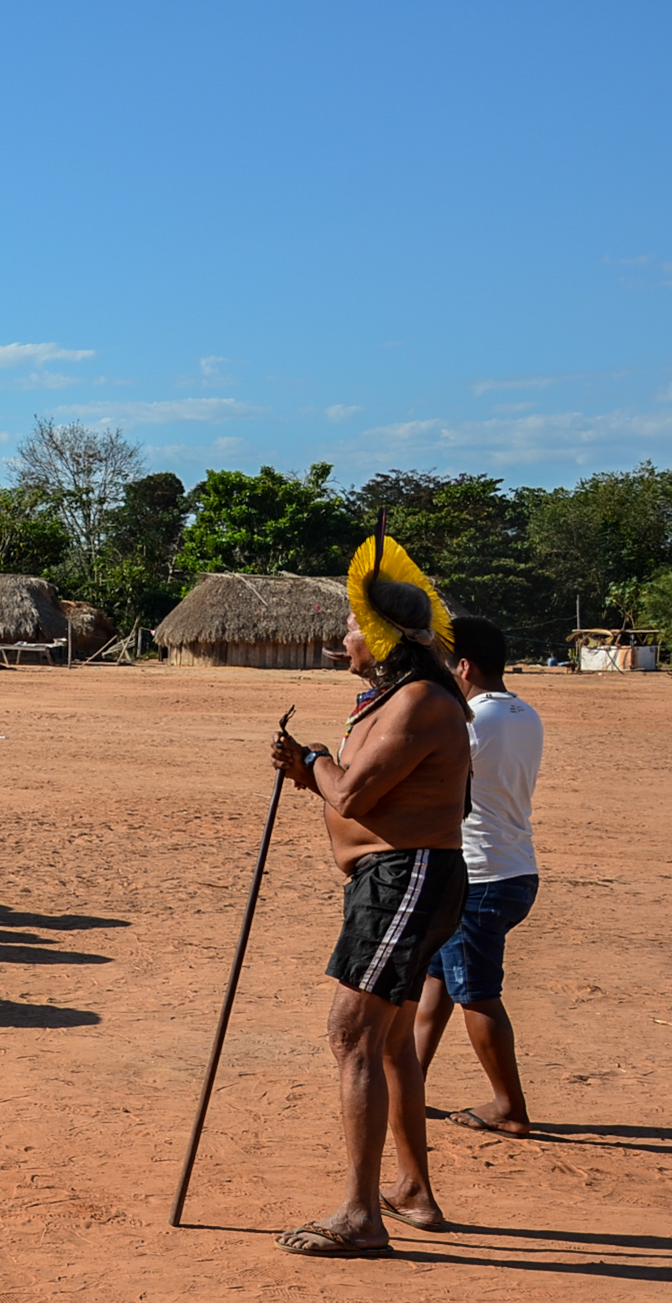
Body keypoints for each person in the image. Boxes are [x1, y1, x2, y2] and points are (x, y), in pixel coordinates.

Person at [270, 532, 473, 1257]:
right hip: (400, 879)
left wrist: (317, 761)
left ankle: (360, 1213)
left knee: (352, 1033)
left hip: (405, 879)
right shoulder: (399, 696)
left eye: (354, 623)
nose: (345, 635)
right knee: (386, 1042)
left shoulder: (418, 700)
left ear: (382, 633)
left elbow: (353, 793)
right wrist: (307, 768)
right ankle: (412, 1189)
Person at [414, 616, 544, 1138]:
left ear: (462, 666)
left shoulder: (469, 721)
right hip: (515, 866)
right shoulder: (523, 713)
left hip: (478, 874)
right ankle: (408, 1078)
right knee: (439, 979)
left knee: (477, 992)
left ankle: (509, 1106)